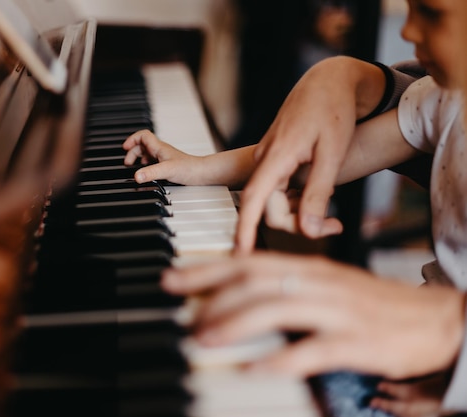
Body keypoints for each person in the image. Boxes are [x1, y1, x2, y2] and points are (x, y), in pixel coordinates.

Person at [122, 0, 467, 415]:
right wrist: (198, 168)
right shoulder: (443, 99)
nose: (408, 31)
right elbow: (316, 160)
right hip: (415, 346)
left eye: (431, 12)